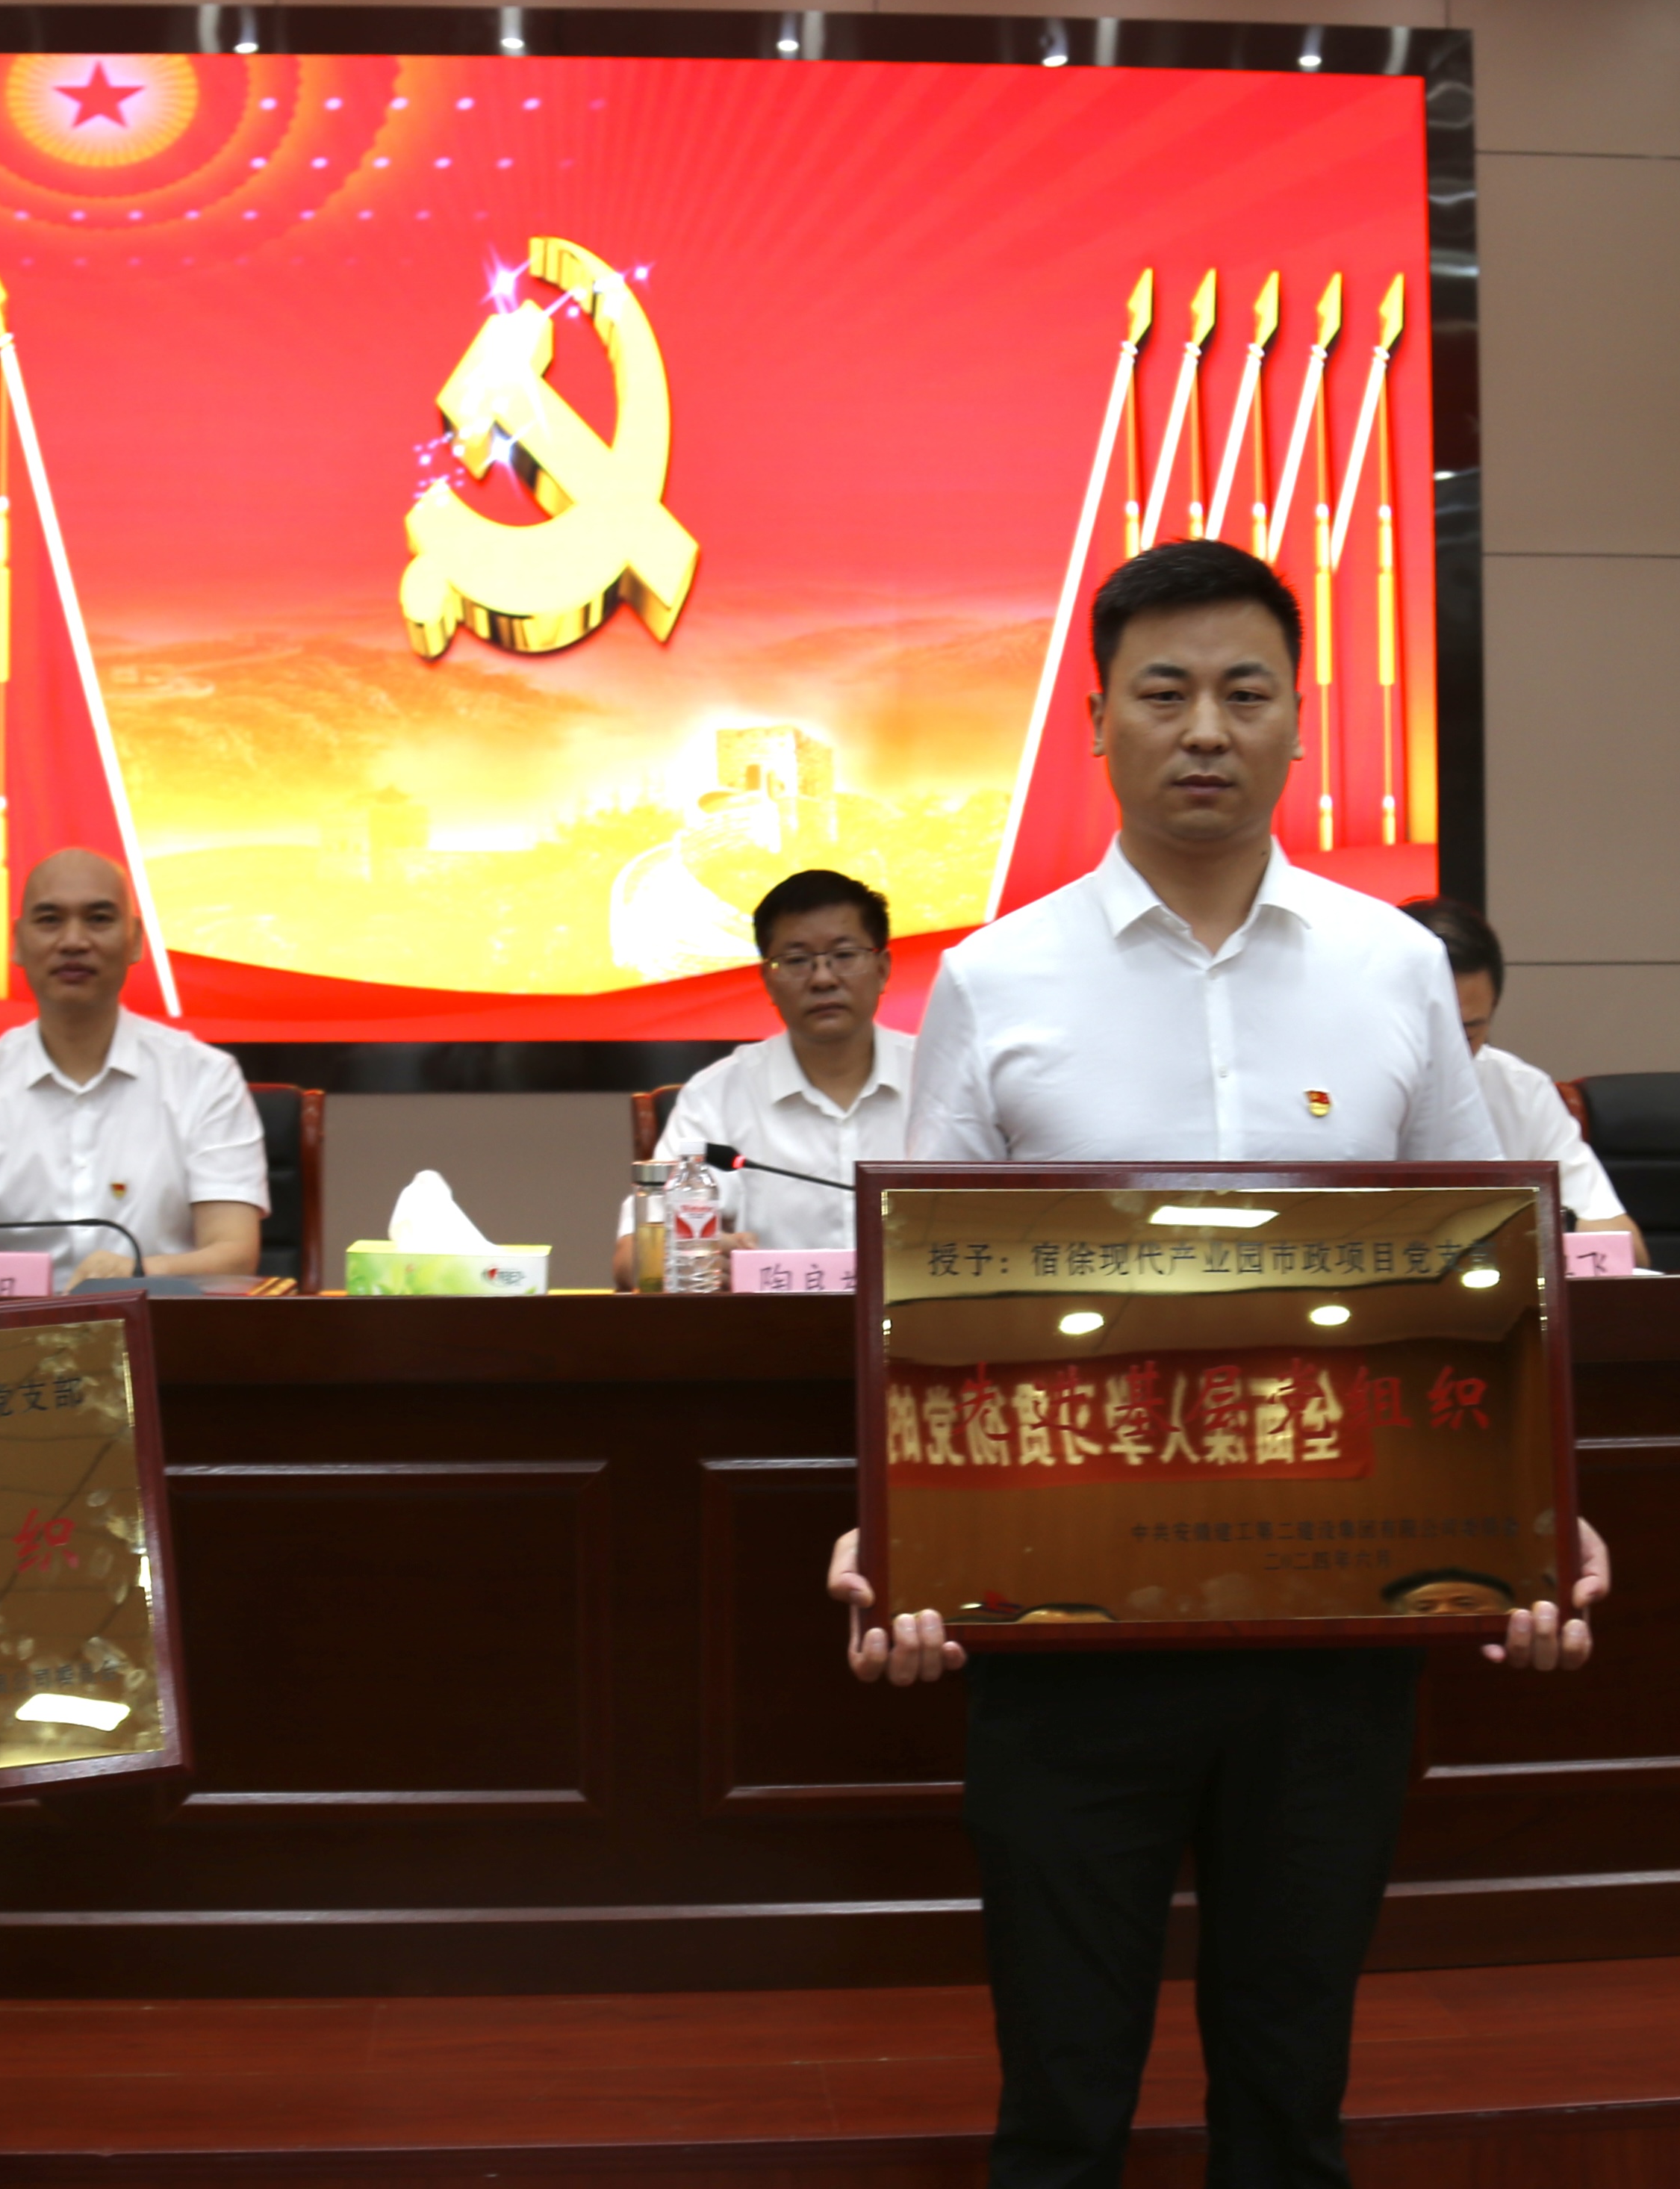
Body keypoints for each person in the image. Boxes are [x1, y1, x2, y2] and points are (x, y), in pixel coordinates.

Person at [831, 541, 1605, 2189]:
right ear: (1096, 722)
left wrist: (1536, 1512)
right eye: (1165, 692)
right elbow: (927, 1305)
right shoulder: (995, 979)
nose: (1205, 729)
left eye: (1245, 693)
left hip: (1334, 1611)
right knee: (1062, 2086)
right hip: (1061, 1619)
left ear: (1298, 721)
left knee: (1289, 2076)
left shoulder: (1393, 965)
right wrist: (894, 1528)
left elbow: (1473, 1274)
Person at [0, 848, 267, 1286]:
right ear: (17, 942)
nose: (73, 941)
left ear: (135, 940)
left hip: (157, 1321)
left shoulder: (205, 1078)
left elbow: (234, 1255)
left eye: (98, 919)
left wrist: (137, 1274)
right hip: (13, 1327)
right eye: (50, 920)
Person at [609, 867, 914, 1284]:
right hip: (770, 1324)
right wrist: (691, 1258)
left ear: (882, 969)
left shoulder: (938, 1079)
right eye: (797, 961)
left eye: (844, 956)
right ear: (768, 981)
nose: (823, 978)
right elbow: (630, 1257)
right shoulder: (716, 1097)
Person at [1398, 896, 1643, 1264]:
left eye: (1468, 1034)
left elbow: (1626, 1247)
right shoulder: (1328, 1093)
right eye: (1429, 1032)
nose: (1449, 1057)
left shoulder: (1522, 1091)